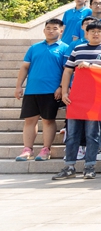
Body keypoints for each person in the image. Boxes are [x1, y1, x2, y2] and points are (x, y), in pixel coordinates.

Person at [53, 21, 101, 180]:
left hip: (96, 98)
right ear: (86, 33)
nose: (96, 34)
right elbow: (68, 71)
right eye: (92, 31)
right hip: (76, 97)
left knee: (92, 134)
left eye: (99, 31)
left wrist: (91, 66)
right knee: (72, 134)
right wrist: (64, 91)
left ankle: (90, 167)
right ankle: (69, 167)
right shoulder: (78, 48)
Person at [15, 19, 69, 163]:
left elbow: (67, 71)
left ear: (61, 31)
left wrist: (61, 87)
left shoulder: (65, 48)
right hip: (32, 90)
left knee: (48, 120)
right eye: (48, 28)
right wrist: (19, 86)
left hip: (51, 91)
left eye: (55, 28)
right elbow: (25, 67)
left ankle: (46, 149)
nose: (51, 31)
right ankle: (27, 149)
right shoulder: (34, 47)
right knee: (29, 120)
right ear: (44, 30)